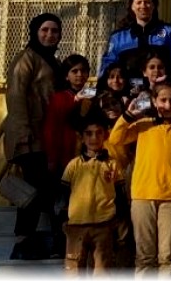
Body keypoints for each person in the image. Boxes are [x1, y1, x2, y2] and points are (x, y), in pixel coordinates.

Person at [108, 81, 171, 274]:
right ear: (154, 101)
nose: (168, 105)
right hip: (142, 196)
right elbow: (115, 139)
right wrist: (128, 115)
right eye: (163, 100)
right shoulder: (142, 126)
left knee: (167, 255)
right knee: (145, 255)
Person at [3, 13, 64, 260]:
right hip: (30, 136)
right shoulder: (26, 59)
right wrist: (23, 132)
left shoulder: (53, 61)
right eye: (44, 30)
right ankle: (23, 242)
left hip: (47, 134)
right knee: (34, 190)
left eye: (55, 31)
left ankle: (39, 242)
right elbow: (16, 96)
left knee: (42, 188)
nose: (50, 35)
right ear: (34, 32)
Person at [60, 110, 122, 273]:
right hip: (76, 226)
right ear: (81, 136)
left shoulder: (113, 165)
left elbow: (120, 194)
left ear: (106, 135)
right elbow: (63, 195)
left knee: (102, 268)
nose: (94, 138)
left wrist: (120, 222)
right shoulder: (73, 165)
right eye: (88, 134)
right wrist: (63, 218)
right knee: (74, 268)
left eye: (98, 133)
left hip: (104, 225)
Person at [101, 0, 171, 75]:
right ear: (132, 6)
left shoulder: (169, 32)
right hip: (129, 87)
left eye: (147, 2)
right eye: (138, 2)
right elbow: (108, 65)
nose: (143, 6)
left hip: (161, 87)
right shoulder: (118, 37)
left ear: (154, 5)